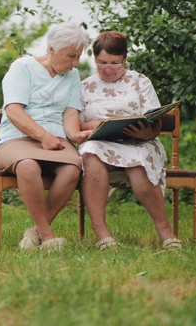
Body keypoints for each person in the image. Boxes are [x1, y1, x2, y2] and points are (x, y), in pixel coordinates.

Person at [78, 31, 182, 250]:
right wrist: (93, 125)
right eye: (102, 62)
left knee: (139, 165)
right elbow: (75, 123)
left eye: (115, 63)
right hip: (101, 144)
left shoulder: (139, 81)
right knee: (90, 152)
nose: (107, 69)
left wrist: (145, 133)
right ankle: (103, 235)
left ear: (124, 59)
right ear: (94, 59)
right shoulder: (85, 86)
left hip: (138, 142)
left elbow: (155, 120)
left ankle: (166, 234)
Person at [0, 22, 90, 250]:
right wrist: (43, 136)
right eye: (71, 56)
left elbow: (70, 113)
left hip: (55, 140)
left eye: (78, 57)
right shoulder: (22, 67)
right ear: (52, 50)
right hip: (15, 139)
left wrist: (76, 134)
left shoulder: (72, 75)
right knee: (28, 166)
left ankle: (34, 233)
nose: (75, 63)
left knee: (73, 167)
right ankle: (47, 237)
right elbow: (14, 111)